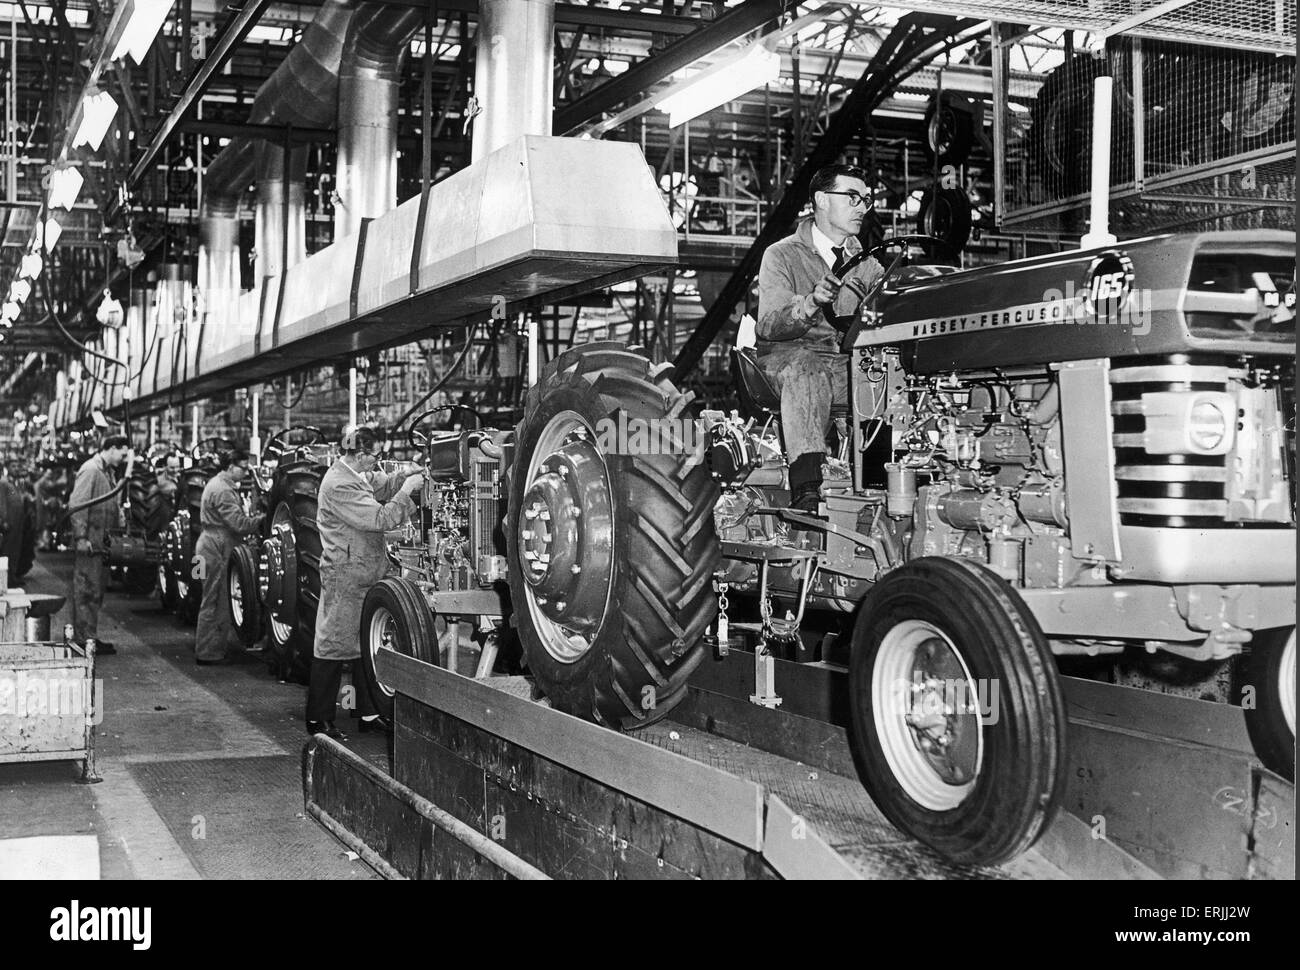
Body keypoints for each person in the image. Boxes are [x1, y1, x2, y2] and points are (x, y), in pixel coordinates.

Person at [756, 163, 884, 512]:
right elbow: (768, 325)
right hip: (789, 355)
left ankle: (878, 478)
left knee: (881, 374)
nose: (862, 207)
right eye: (853, 197)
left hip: (843, 361)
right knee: (808, 369)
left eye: (866, 200)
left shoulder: (868, 266)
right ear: (822, 200)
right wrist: (810, 302)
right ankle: (807, 484)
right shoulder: (780, 255)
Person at [306, 427, 423, 740]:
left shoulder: (356, 475)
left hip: (365, 569)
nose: (378, 460)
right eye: (376, 455)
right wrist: (409, 490)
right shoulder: (339, 484)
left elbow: (380, 484)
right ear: (359, 454)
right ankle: (319, 719)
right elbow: (381, 519)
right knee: (332, 644)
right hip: (346, 573)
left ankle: (367, 713)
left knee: (362, 642)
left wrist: (408, 475)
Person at [194, 448, 264, 666]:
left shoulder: (217, 484)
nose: (245, 473)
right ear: (230, 466)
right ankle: (208, 653)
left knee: (213, 598)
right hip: (217, 545)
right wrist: (262, 519)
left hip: (210, 542)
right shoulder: (223, 490)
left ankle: (212, 648)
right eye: (243, 468)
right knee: (216, 599)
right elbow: (239, 524)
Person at [69, 435, 130, 653]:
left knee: (95, 592)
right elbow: (77, 505)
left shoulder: (107, 472)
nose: (124, 459)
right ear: (111, 448)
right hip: (90, 543)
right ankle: (84, 640)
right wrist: (80, 537)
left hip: (101, 544)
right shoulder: (91, 470)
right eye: (122, 454)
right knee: (86, 590)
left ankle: (89, 637)